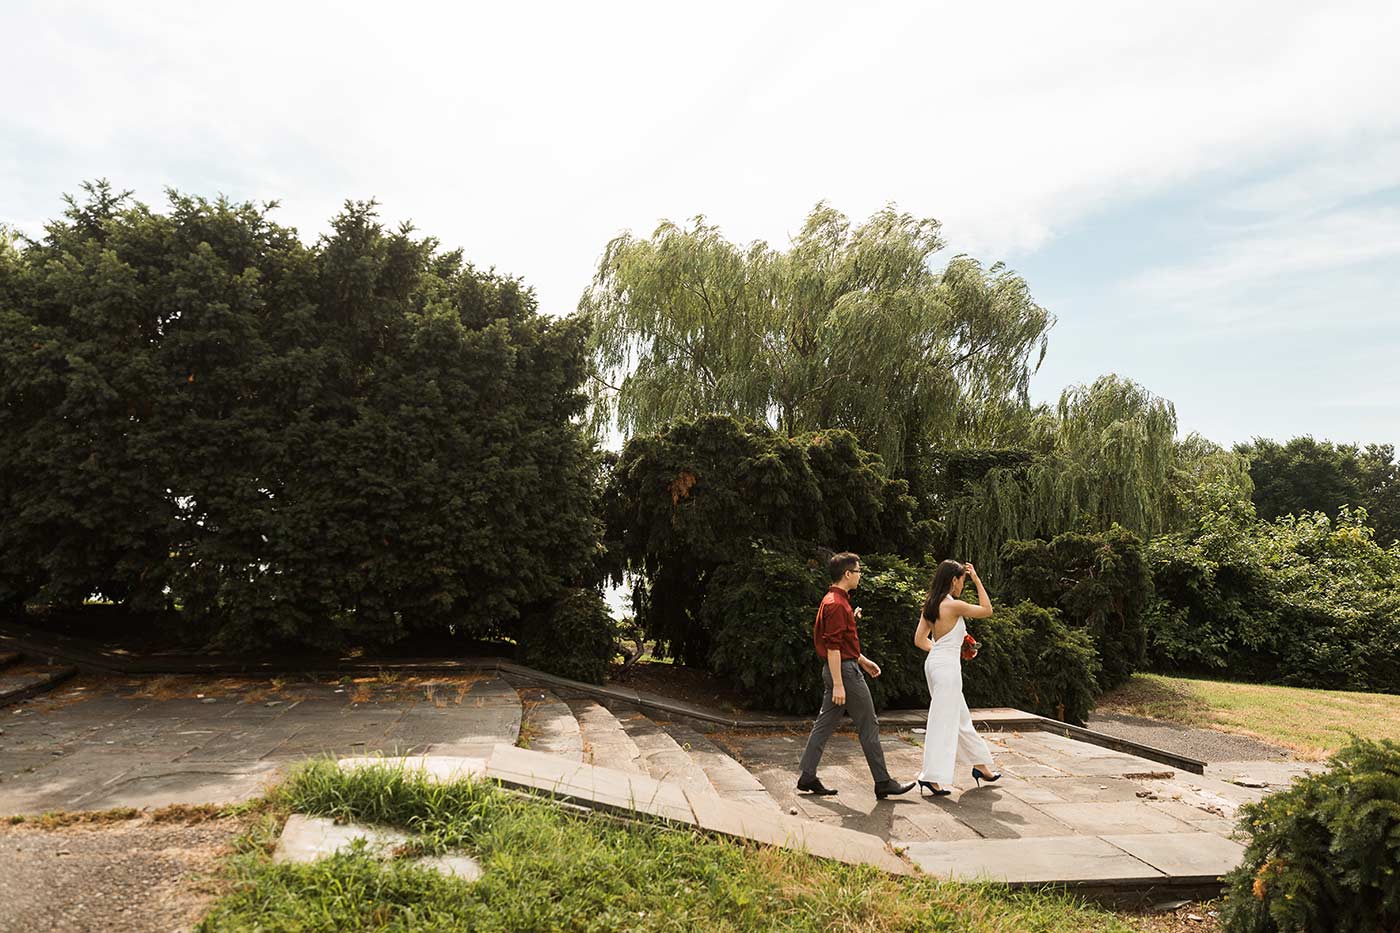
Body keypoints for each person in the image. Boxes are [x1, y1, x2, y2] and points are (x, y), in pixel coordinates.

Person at [796, 552, 916, 800]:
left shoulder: (835, 601)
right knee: (868, 723)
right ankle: (883, 781)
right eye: (858, 571)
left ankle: (807, 776)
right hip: (845, 675)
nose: (861, 575)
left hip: (842, 669)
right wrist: (840, 684)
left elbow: (842, 643)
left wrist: (862, 660)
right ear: (847, 574)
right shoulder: (837, 604)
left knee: (824, 724)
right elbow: (832, 647)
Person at [912, 559, 1001, 796]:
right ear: (954, 580)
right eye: (962, 581)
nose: (963, 586)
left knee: (961, 719)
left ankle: (982, 767)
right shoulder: (953, 605)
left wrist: (942, 650)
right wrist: (978, 579)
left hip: (935, 665)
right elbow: (987, 610)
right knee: (943, 722)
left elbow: (920, 640)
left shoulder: (931, 604)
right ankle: (931, 777)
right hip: (947, 669)